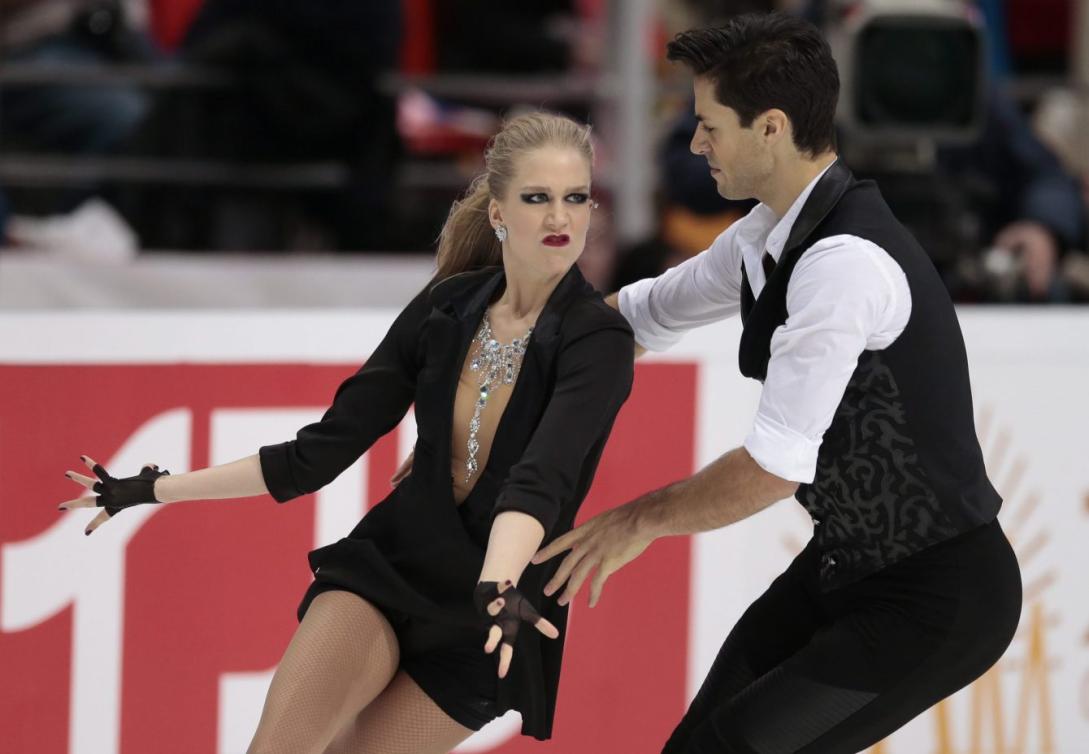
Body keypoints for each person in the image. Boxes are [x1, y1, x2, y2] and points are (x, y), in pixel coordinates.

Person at [58, 112, 635, 754]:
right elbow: (319, 452)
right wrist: (155, 489)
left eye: (576, 197)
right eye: (539, 198)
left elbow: (541, 480)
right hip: (389, 574)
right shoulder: (446, 308)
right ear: (498, 211)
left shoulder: (597, 341)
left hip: (486, 622)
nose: (562, 218)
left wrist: (497, 581)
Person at [535, 14, 1022, 754]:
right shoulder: (766, 234)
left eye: (708, 126)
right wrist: (498, 364)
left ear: (769, 128)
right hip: (844, 567)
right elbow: (634, 319)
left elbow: (771, 468)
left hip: (936, 597)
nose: (695, 145)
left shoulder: (842, 265)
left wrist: (633, 522)